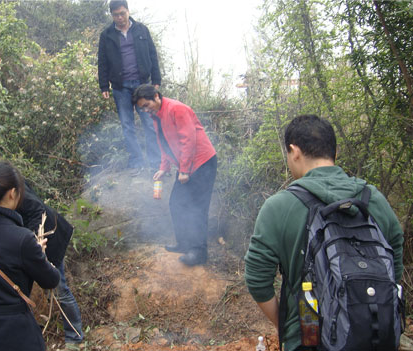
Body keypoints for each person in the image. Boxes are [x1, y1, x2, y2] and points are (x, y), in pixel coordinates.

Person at [244, 115, 404, 351]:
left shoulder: (279, 207)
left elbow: (257, 280)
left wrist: (288, 324)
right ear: (335, 152)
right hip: (376, 336)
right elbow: (394, 263)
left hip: (308, 340)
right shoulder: (374, 199)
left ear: (294, 151)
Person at [0, 167, 84, 349]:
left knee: (60, 290)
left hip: (43, 240)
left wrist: (32, 242)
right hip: (24, 250)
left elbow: (37, 210)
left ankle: (74, 336)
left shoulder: (0, 187)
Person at [133, 84, 217, 266]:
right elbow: (165, 144)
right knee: (176, 203)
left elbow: (189, 140)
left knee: (197, 207)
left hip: (202, 163)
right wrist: (164, 168)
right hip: (186, 164)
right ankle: (184, 243)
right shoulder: (157, 116)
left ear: (156, 96)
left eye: (146, 105)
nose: (146, 111)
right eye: (142, 109)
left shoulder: (176, 109)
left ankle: (198, 252)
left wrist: (184, 170)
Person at [98, 0, 161, 176]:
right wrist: (104, 85)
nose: (120, 18)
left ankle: (156, 162)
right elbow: (102, 62)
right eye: (116, 15)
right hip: (120, 87)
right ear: (111, 15)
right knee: (127, 125)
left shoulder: (141, 30)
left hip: (142, 84)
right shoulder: (107, 35)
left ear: (128, 11)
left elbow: (152, 54)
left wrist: (156, 78)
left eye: (122, 13)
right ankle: (136, 162)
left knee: (149, 123)